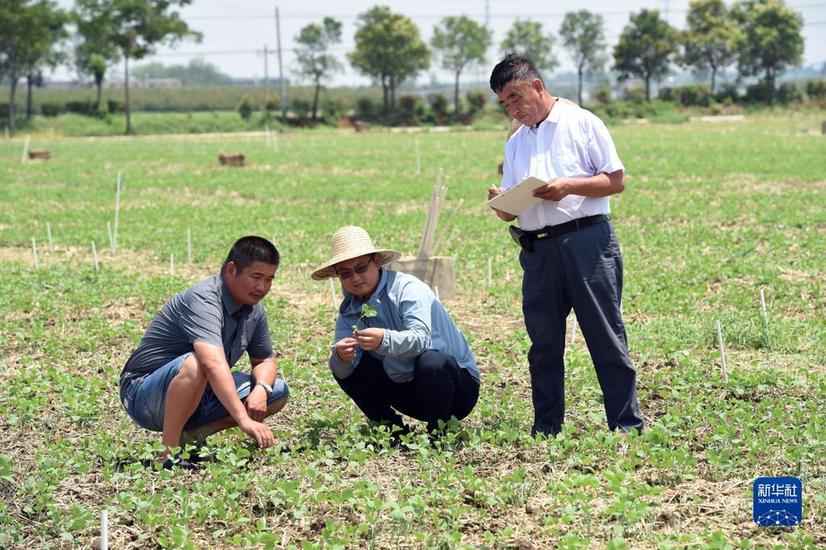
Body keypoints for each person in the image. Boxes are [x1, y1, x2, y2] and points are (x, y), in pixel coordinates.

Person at [487, 53, 643, 436]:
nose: (512, 108)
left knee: (605, 337)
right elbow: (510, 209)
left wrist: (569, 186)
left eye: (515, 97)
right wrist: (501, 203)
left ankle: (626, 426)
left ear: (537, 86)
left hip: (586, 243)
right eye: (504, 103)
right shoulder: (515, 143)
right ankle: (547, 428)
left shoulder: (582, 122)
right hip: (538, 251)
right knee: (543, 344)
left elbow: (616, 180)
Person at [119, 236, 289, 468]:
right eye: (256, 277)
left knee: (276, 391)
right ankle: (167, 455)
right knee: (197, 363)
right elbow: (212, 363)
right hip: (144, 394)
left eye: (269, 279)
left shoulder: (254, 309)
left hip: (198, 392)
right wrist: (243, 419)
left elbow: (265, 360)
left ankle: (191, 437)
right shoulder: (204, 299)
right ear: (231, 270)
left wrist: (261, 389)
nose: (262, 287)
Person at [311, 226, 480, 437]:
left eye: (361, 268)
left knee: (431, 361)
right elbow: (343, 371)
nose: (355, 278)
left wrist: (384, 339)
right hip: (409, 390)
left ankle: (440, 433)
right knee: (342, 362)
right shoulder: (349, 311)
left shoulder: (407, 288)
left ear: (376, 262)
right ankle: (391, 431)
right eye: (346, 273)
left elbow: (421, 339)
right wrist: (342, 357)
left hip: (456, 390)